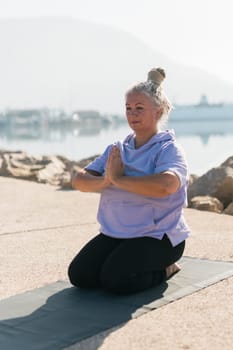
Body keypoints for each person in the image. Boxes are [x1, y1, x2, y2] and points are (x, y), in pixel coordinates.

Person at [68, 67, 190, 295]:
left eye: (139, 108)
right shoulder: (117, 149)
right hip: (118, 232)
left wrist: (119, 179)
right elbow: (79, 180)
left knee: (116, 280)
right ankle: (121, 261)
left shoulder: (169, 149)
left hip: (159, 236)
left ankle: (167, 268)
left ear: (159, 111)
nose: (132, 114)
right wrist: (106, 182)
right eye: (128, 108)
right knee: (80, 276)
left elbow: (167, 185)